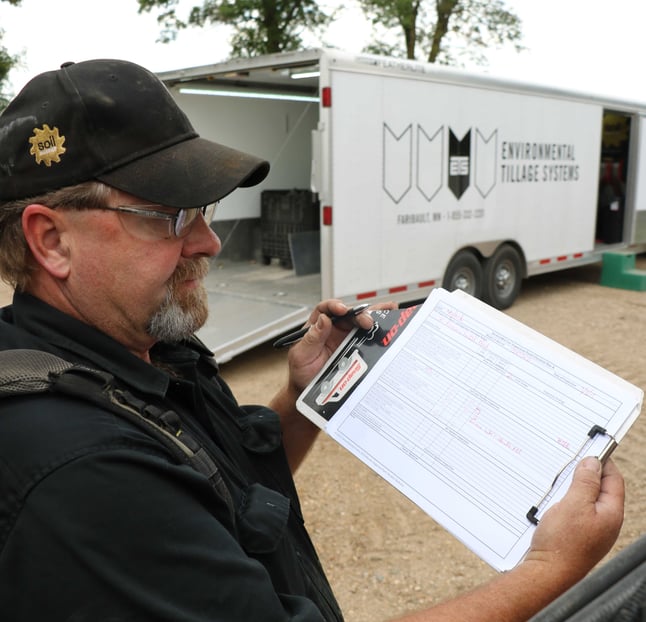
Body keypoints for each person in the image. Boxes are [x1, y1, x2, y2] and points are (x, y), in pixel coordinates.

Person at [0, 59, 624, 622]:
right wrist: (550, 569)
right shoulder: (84, 475)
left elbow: (233, 490)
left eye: (204, 210)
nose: (208, 243)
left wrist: (306, 395)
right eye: (170, 216)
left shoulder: (140, 352)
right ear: (52, 240)